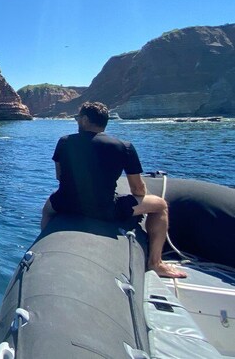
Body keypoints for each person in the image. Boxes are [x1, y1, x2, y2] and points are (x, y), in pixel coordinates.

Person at [41, 101, 187, 278]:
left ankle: (43, 249)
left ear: (85, 120)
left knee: (47, 210)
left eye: (78, 118)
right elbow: (137, 188)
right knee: (161, 205)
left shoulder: (64, 142)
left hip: (66, 203)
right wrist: (139, 198)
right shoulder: (124, 147)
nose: (77, 121)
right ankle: (155, 263)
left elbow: (60, 176)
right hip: (106, 209)